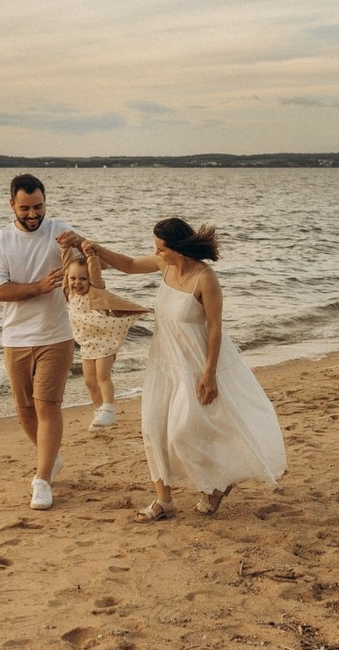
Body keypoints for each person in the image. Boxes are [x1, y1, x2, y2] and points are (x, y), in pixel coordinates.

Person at [61, 218, 286, 522]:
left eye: (159, 248)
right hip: (163, 360)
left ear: (178, 249)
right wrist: (91, 246)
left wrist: (209, 373)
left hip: (195, 362)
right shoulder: (165, 265)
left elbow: (216, 327)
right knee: (153, 428)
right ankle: (164, 501)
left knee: (183, 432)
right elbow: (126, 263)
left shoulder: (205, 278)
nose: (156, 252)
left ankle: (216, 485)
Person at [0, 174, 75, 510]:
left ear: (45, 202)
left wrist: (78, 261)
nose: (33, 213)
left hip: (56, 334)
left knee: (47, 405)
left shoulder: (59, 231)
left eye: (38, 206)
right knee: (24, 408)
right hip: (16, 336)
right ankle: (49, 457)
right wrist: (38, 287)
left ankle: (42, 480)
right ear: (12, 205)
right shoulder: (0, 240)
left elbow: (82, 265)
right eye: (25, 208)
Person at [60, 241, 149, 432]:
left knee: (102, 376)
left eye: (83, 279)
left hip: (105, 339)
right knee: (89, 380)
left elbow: (95, 276)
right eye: (73, 278)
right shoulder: (68, 292)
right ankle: (98, 410)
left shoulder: (95, 292)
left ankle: (109, 409)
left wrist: (92, 257)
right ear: (67, 279)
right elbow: (66, 266)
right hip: (86, 342)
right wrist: (65, 248)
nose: (78, 283)